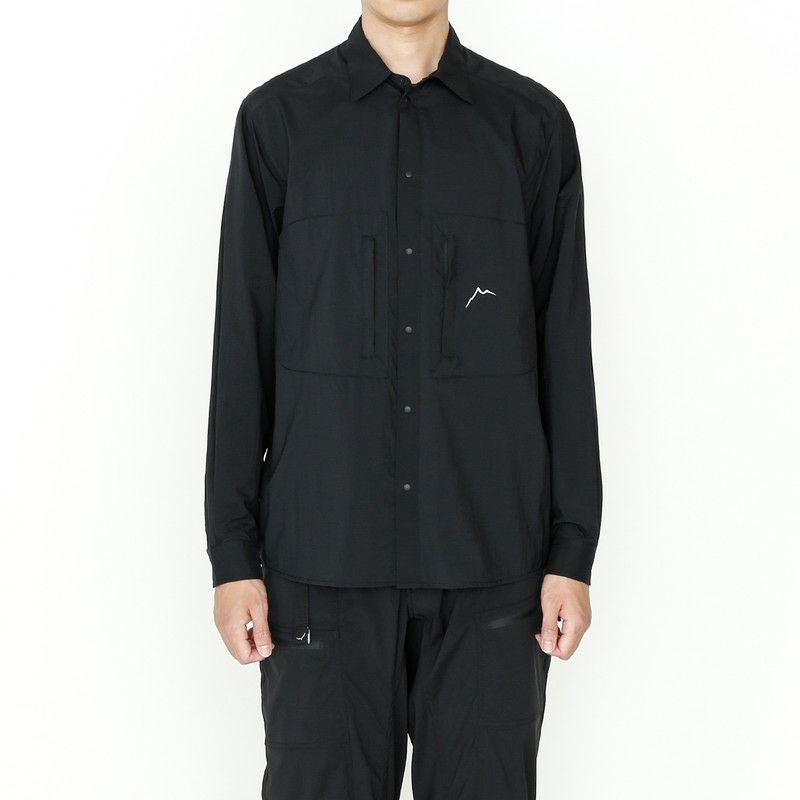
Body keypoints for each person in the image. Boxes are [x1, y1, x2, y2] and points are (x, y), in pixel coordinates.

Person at [204, 1, 602, 797]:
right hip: (321, 564)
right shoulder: (279, 122)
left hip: (491, 565)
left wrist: (572, 552)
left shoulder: (531, 126)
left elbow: (566, 346)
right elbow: (243, 344)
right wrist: (232, 556)